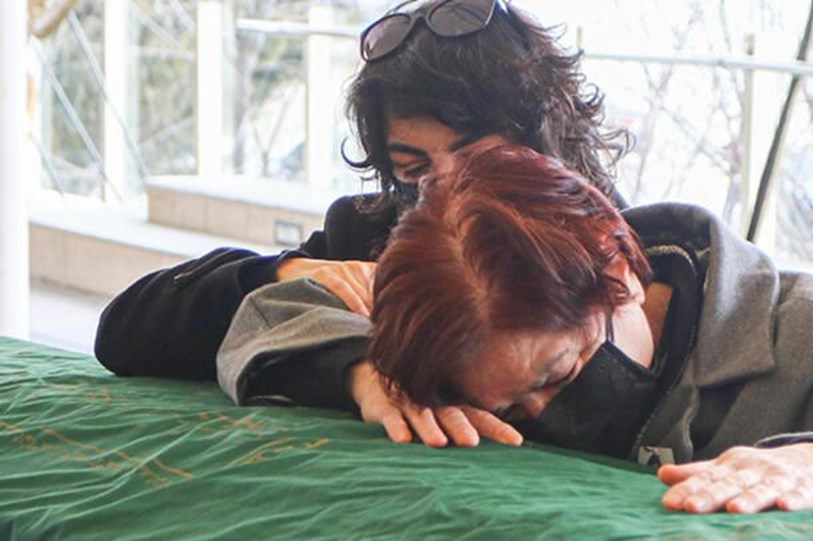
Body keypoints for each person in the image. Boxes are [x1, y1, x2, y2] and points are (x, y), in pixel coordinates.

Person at [217, 145, 813, 541]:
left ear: (619, 273)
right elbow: (264, 314)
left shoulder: (812, 342)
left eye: (560, 371)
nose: (544, 411)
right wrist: (364, 372)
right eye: (509, 406)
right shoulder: (449, 326)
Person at [94, 0, 627, 444]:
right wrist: (303, 294)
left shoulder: (613, 260)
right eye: (414, 169)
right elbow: (129, 331)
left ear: (543, 140)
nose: (445, 187)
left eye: (477, 159)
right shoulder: (375, 237)